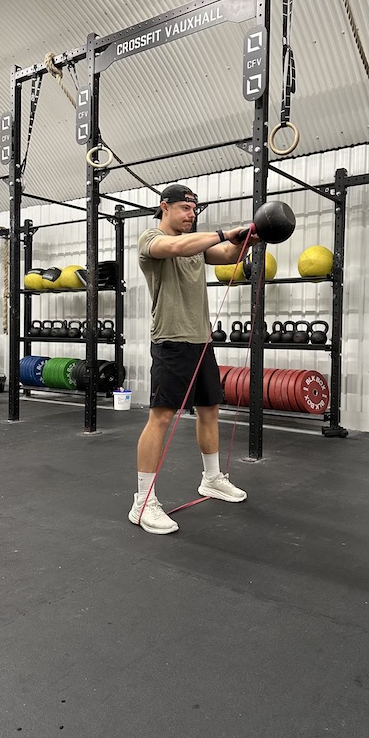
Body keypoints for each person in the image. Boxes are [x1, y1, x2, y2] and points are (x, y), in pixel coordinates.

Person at [129, 184, 260, 535]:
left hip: (201, 340)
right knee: (161, 417)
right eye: (184, 208)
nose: (190, 214)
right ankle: (142, 502)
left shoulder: (197, 248)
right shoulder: (151, 238)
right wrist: (221, 232)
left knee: (209, 408)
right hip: (171, 340)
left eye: (194, 210)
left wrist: (253, 235)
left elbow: (229, 255)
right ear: (164, 207)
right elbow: (172, 247)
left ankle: (212, 478)